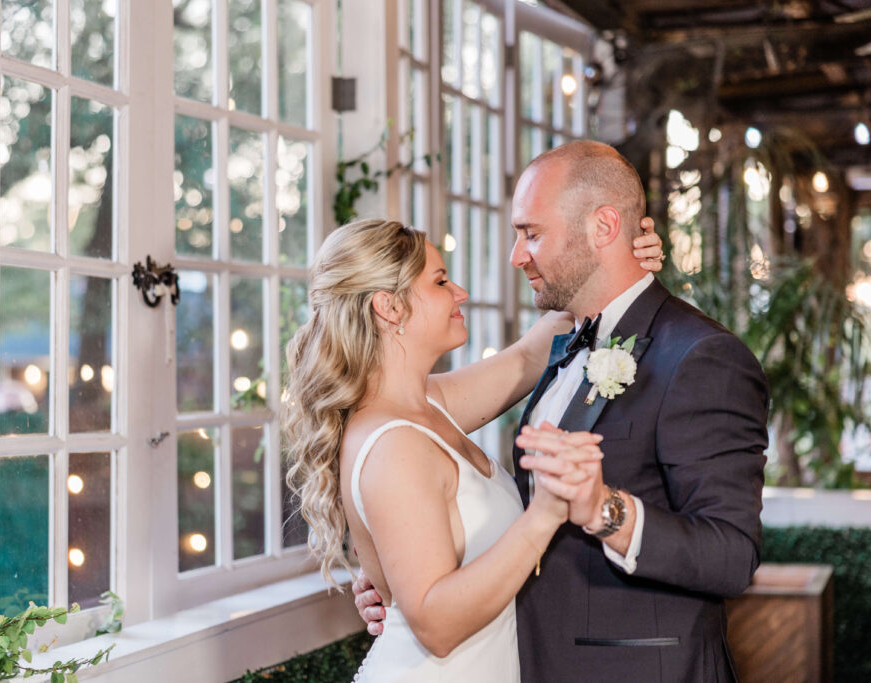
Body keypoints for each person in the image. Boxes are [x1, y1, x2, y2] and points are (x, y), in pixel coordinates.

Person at [354, 140, 770, 682]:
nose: (516, 255)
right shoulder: (555, 349)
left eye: (532, 233)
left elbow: (732, 556)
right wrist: (398, 578)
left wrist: (605, 510)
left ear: (602, 227)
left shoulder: (700, 357)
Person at [283, 215, 665, 681]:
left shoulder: (429, 406)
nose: (459, 292)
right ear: (389, 307)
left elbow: (528, 355)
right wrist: (544, 513)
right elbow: (436, 626)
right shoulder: (393, 445)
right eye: (441, 281)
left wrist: (615, 263)